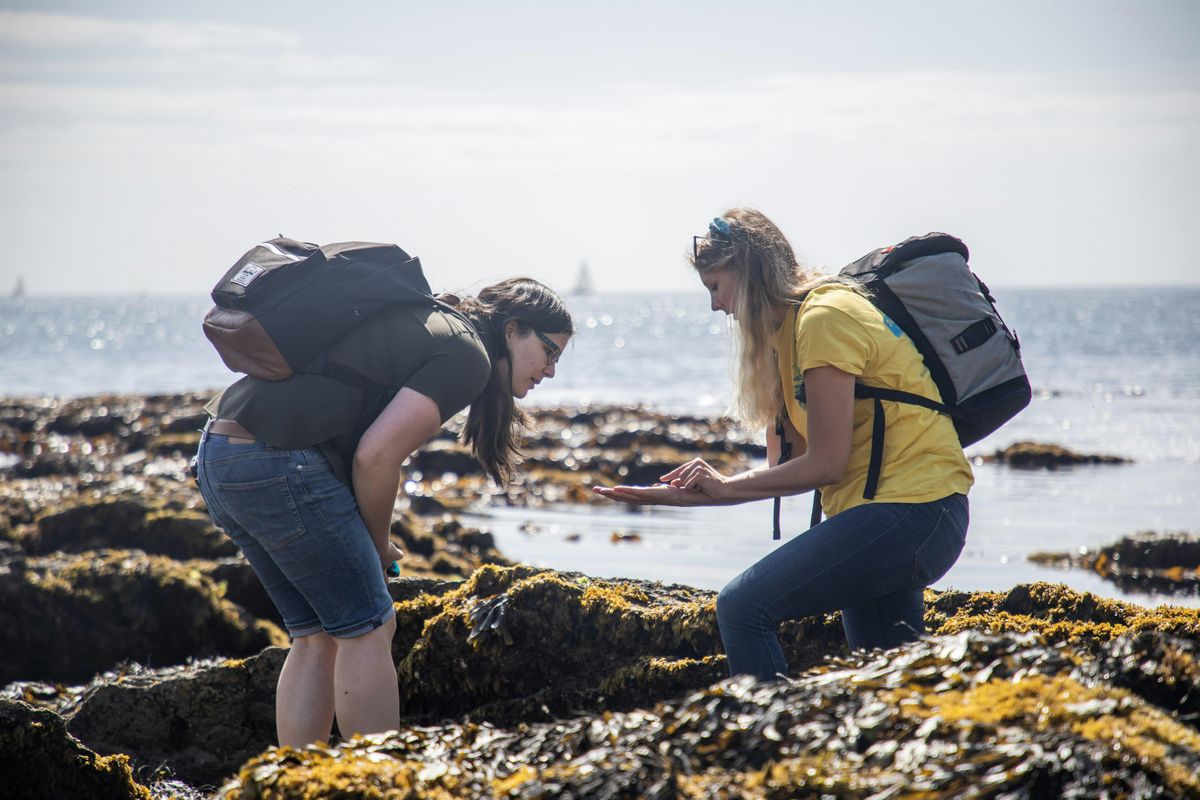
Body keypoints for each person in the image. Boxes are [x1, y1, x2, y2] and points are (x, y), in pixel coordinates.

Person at [594, 209, 971, 680]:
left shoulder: (825, 317)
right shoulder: (787, 332)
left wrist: (723, 487)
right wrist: (691, 496)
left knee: (742, 608)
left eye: (715, 286)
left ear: (749, 271)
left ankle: (767, 744)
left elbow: (827, 464)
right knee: (888, 687)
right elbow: (788, 468)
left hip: (915, 511)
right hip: (883, 516)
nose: (715, 305)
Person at [195, 277, 573, 745]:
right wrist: (376, 544)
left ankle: (298, 779)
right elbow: (375, 457)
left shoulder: (438, 325)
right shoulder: (467, 355)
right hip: (275, 460)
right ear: (513, 329)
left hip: (220, 455)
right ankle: (375, 780)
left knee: (317, 636)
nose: (552, 370)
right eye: (551, 351)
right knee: (370, 627)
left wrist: (375, 539)